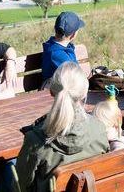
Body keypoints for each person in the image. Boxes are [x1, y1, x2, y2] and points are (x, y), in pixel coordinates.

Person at [16, 62, 109, 191]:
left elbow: (22, 185)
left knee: (7, 169)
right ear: (84, 93)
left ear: (52, 92)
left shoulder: (35, 140)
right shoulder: (99, 129)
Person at [40, 12, 85, 89]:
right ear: (73, 35)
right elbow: (75, 79)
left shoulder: (55, 46)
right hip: (59, 92)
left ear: (55, 28)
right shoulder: (57, 54)